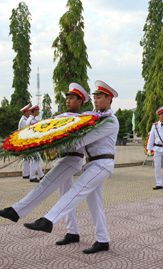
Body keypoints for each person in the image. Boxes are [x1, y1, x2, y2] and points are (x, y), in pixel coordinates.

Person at [22, 80, 119, 254]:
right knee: (95, 203)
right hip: (92, 164)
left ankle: (48, 220)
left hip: (103, 164)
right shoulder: (95, 117)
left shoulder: (110, 121)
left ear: (109, 99)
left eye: (99, 97)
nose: (96, 100)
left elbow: (83, 139)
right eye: (95, 97)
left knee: (77, 189)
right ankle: (103, 240)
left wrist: (55, 144)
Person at [0, 83, 90, 246]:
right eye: (67, 98)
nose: (68, 101)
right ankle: (73, 232)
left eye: (72, 98)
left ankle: (16, 211)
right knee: (66, 197)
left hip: (72, 159)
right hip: (61, 158)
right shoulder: (61, 117)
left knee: (46, 183)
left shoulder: (82, 120)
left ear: (80, 102)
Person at [26, 105, 45, 183]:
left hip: (32, 141)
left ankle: (41, 175)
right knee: (35, 159)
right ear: (34, 111)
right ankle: (32, 176)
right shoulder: (32, 120)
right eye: (37, 110)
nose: (39, 112)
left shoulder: (31, 119)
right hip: (33, 141)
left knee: (37, 159)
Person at [18, 105, 31, 179]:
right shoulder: (23, 121)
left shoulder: (25, 119)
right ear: (26, 112)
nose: (30, 112)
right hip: (24, 141)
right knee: (26, 159)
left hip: (25, 141)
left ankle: (26, 173)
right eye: (29, 111)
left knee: (26, 159)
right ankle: (25, 173)